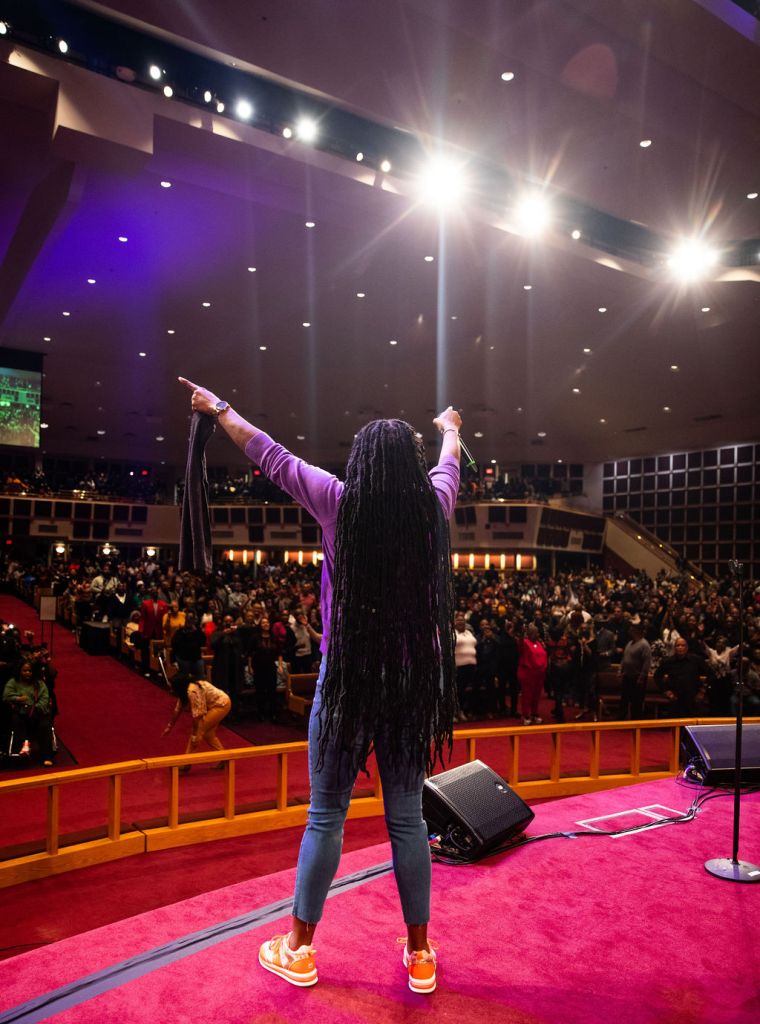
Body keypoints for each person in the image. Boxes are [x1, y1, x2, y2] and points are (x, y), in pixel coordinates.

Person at [179, 375, 460, 994]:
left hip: (349, 681)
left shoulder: (339, 501)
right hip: (411, 683)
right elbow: (447, 467)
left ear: (361, 464)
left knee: (326, 814)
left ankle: (299, 949)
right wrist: (451, 431)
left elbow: (270, 454)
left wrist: (220, 405)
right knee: (408, 819)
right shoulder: (434, 508)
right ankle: (419, 955)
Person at [161, 671, 231, 770]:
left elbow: (197, 717)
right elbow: (177, 710)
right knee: (208, 734)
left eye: (172, 687)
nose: (171, 690)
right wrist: (169, 726)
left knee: (198, 731)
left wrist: (194, 735)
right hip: (215, 705)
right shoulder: (184, 691)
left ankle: (186, 764)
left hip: (221, 704)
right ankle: (225, 759)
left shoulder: (192, 691)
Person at [2, 659, 55, 766]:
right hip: (20, 712)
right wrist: (18, 699)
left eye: (30, 671)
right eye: (25, 671)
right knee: (17, 721)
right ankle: (23, 747)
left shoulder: (39, 683)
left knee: (44, 726)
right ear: (20, 671)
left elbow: (44, 699)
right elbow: (6, 696)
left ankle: (46, 755)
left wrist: (34, 709)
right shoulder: (13, 682)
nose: (27, 673)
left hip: (38, 712)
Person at [618, 623, 652, 720]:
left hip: (637, 677)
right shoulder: (629, 643)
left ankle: (635, 721)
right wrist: (620, 670)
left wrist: (641, 677)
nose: (629, 631)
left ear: (637, 631)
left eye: (631, 629)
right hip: (627, 676)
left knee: (636, 702)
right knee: (624, 700)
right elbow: (624, 658)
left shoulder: (644, 645)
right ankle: (621, 719)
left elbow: (646, 663)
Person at [517, 623, 548, 725]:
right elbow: (520, 643)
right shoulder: (525, 643)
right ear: (529, 634)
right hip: (528, 674)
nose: (537, 634)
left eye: (537, 632)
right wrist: (522, 633)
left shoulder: (539, 643)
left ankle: (535, 713)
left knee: (536, 695)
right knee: (527, 695)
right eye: (535, 632)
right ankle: (526, 715)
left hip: (539, 674)